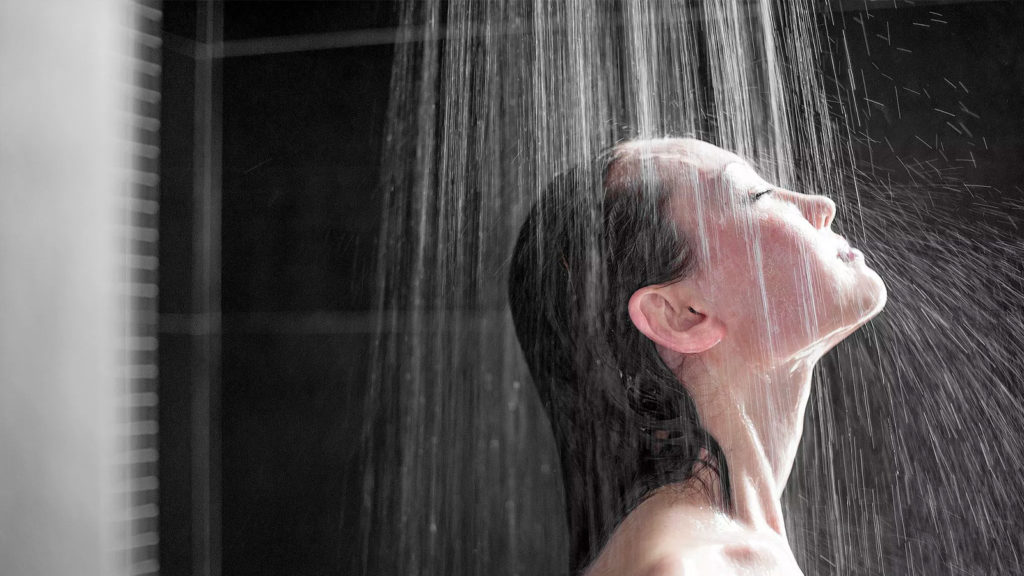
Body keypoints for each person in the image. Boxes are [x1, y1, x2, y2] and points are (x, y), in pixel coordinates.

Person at [507, 138, 887, 575]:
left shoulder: (713, 550)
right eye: (757, 196)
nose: (821, 205)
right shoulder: (694, 567)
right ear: (681, 316)